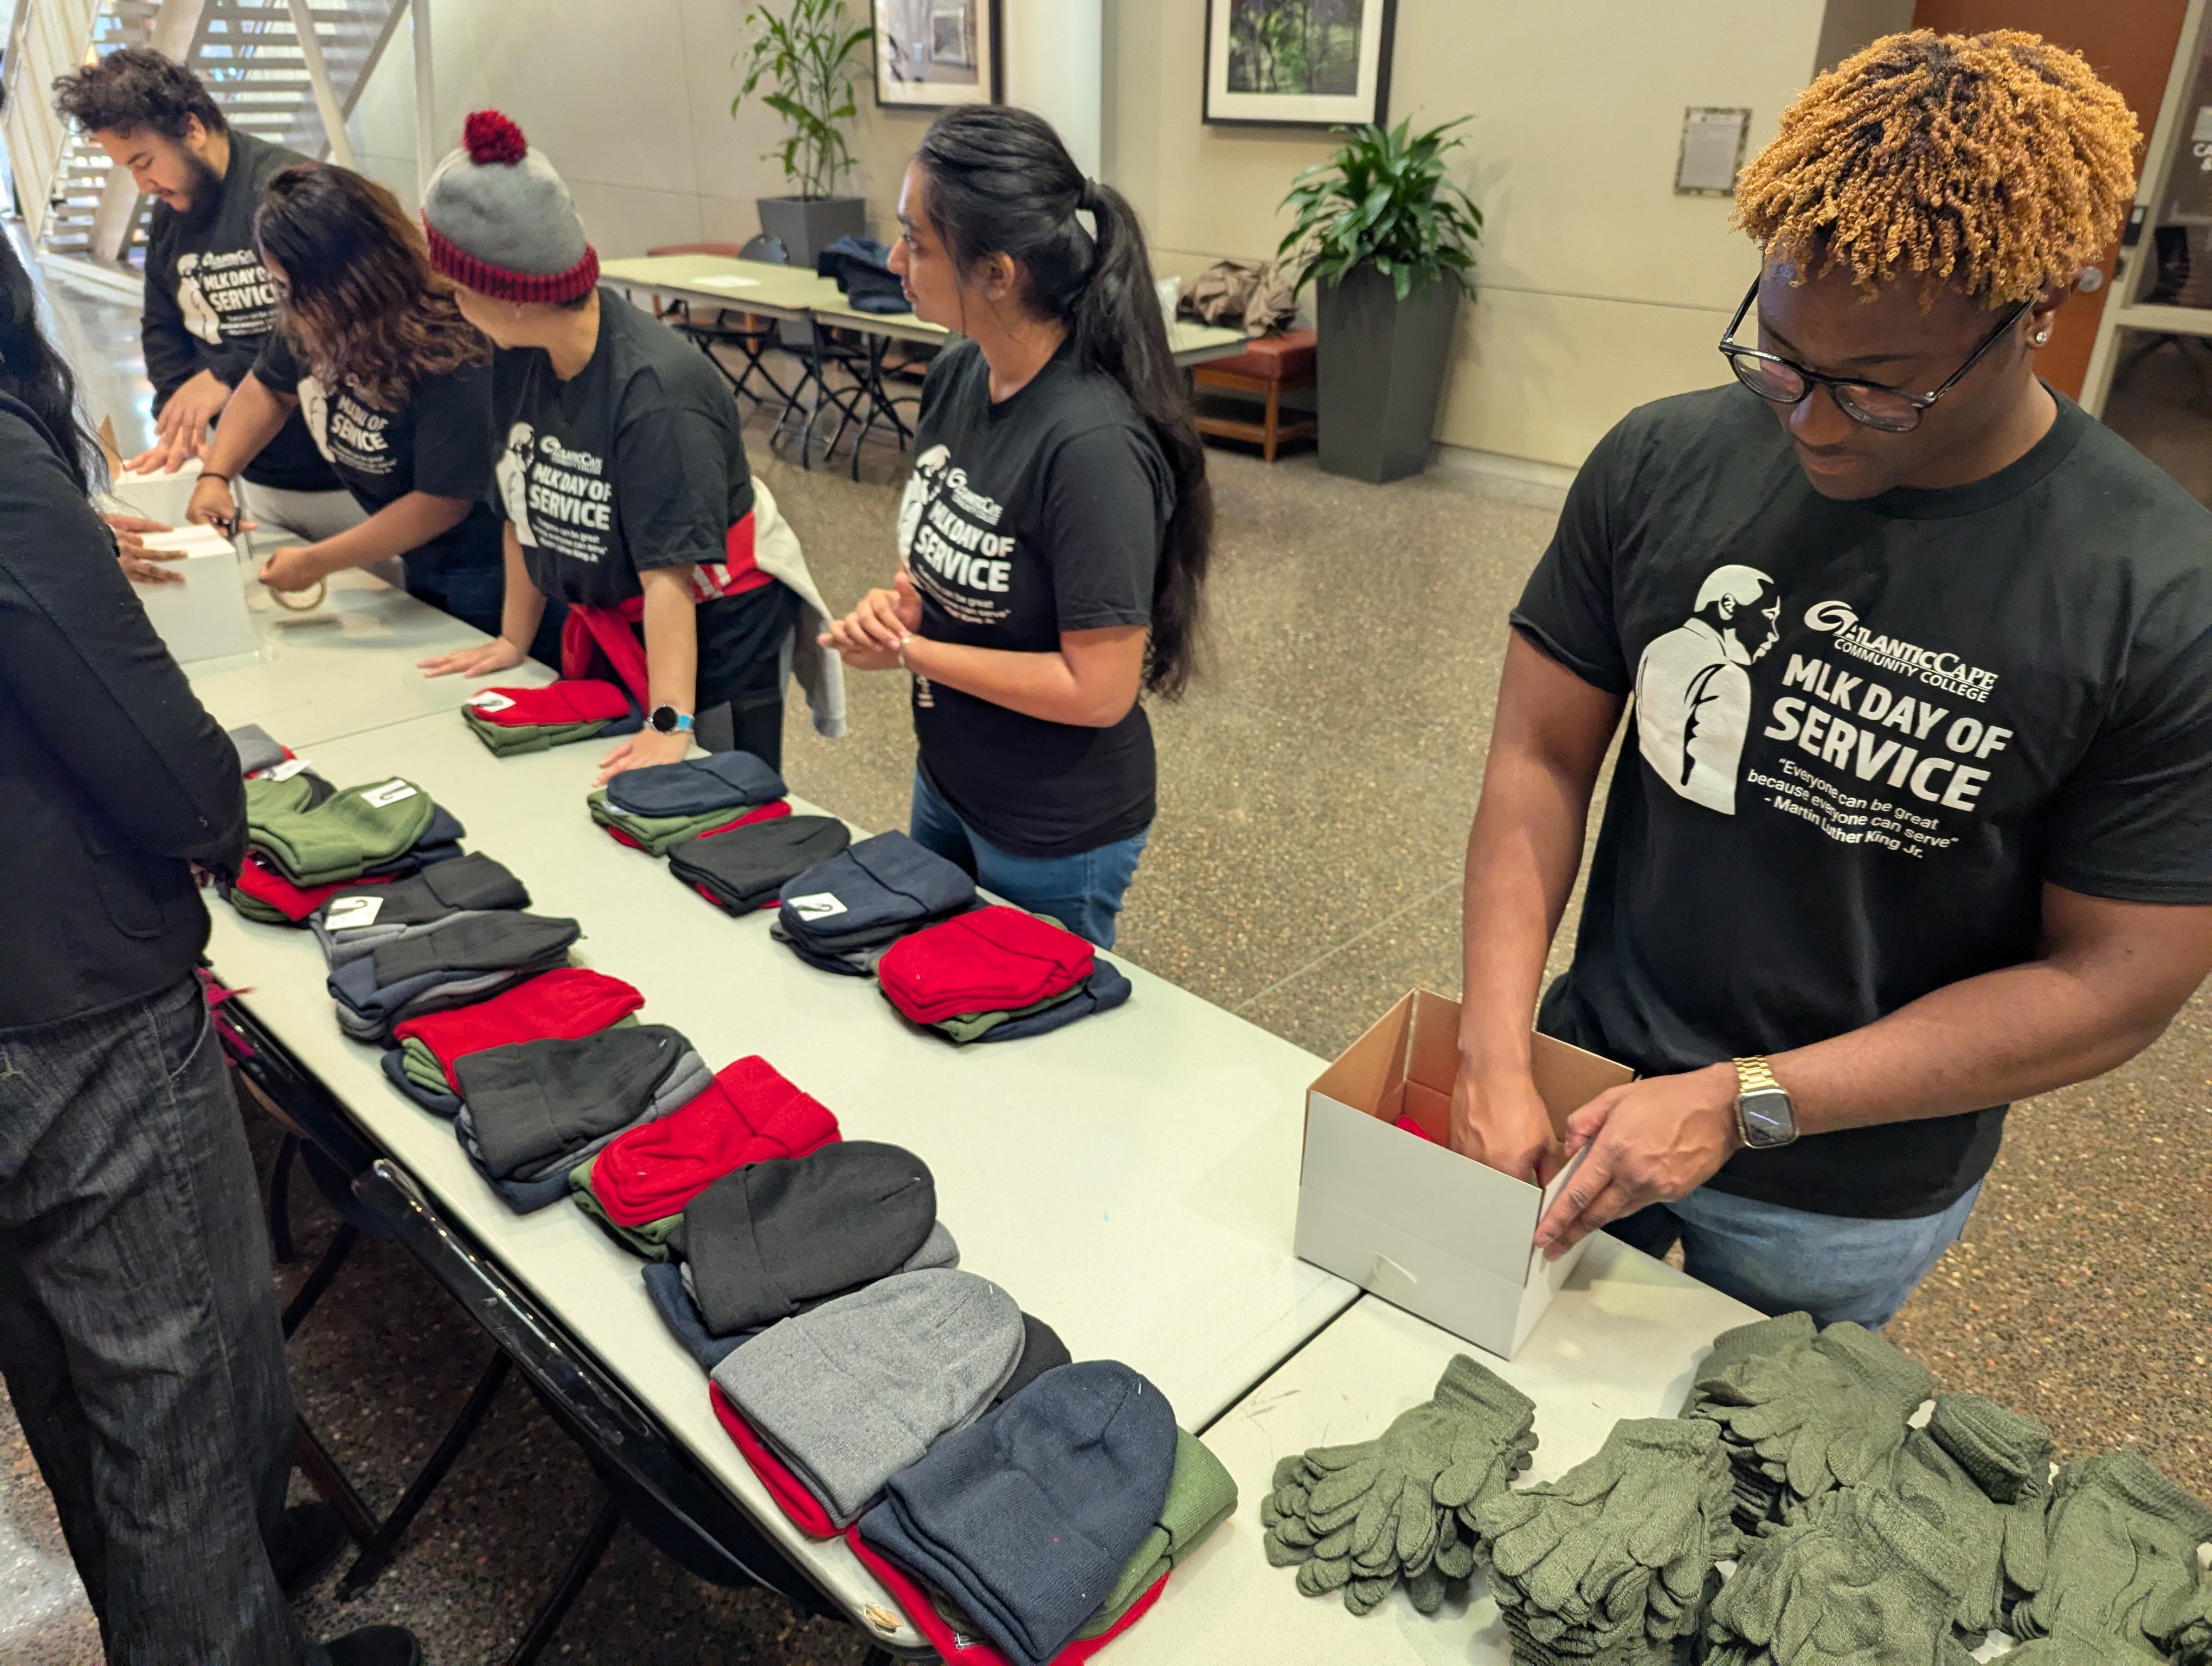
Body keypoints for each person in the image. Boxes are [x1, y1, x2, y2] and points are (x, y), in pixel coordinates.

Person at [1450, 29, 2212, 1330]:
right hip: (1585, 1076)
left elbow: (2113, 982)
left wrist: (1747, 1098)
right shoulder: (1658, 462)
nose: (1803, 419)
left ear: (2033, 315)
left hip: (1844, 1180)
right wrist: (1488, 1042)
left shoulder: (2154, 591)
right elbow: (1539, 753)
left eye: (1876, 390)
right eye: (1782, 356)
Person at [0, 236, 415, 1666]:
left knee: (63, 1367)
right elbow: (169, 771)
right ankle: (220, 1623)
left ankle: (223, 1598)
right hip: (69, 1007)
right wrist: (219, 804)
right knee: (175, 1386)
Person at [820, 105, 1212, 949]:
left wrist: (912, 655)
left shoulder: (1091, 446)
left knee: (1034, 1052)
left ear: (997, 273)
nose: (894, 262)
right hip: (952, 782)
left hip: (1051, 827)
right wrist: (898, 611)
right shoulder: (961, 372)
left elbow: (1099, 690)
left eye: (916, 243)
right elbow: (934, 556)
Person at [414, 111, 840, 779]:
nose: (455, 305)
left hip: (712, 629)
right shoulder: (519, 354)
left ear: (514, 297)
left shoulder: (656, 390)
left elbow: (668, 574)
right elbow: (521, 508)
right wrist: (512, 641)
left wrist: (670, 722)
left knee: (716, 799)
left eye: (463, 291)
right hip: (620, 618)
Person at [182, 162, 531, 649]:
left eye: (292, 288)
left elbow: (441, 502)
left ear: (352, 281)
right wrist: (216, 476)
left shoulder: (454, 347)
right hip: (424, 558)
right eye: (278, 286)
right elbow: (268, 389)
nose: (289, 303)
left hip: (490, 569)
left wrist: (314, 562)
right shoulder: (314, 316)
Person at [53, 48, 361, 549]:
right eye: (127, 169)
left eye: (144, 162)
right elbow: (162, 326)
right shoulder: (171, 214)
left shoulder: (290, 191)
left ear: (191, 130)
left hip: (344, 472)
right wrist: (181, 422)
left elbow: (334, 318)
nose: (142, 183)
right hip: (250, 471)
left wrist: (225, 373)